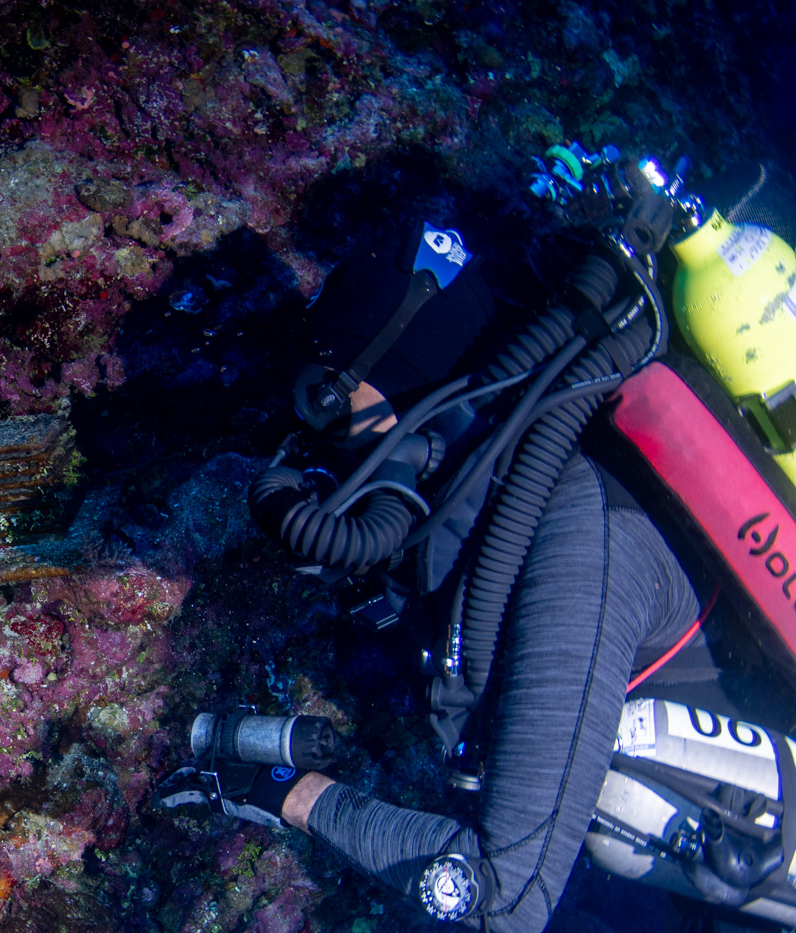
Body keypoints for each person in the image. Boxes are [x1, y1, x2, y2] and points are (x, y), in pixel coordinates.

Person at [158, 161, 796, 932]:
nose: (323, 455)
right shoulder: (517, 497)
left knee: (620, 785)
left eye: (334, 411)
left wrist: (281, 793)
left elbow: (503, 895)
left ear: (417, 415)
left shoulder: (583, 543)